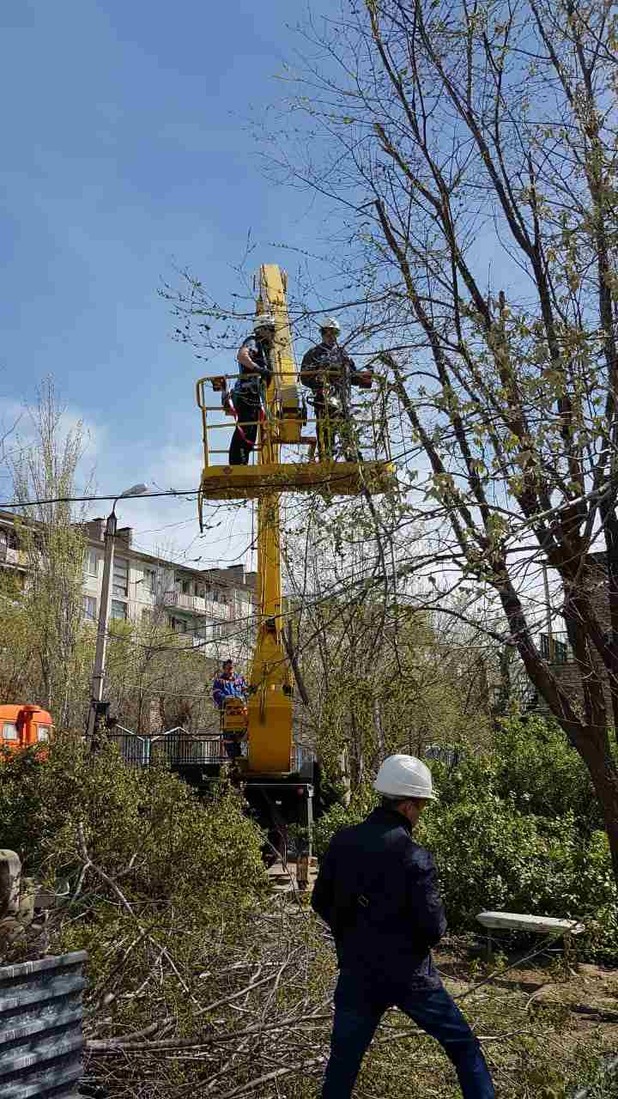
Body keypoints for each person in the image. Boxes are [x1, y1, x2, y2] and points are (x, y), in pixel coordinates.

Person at [312, 754, 495, 1099]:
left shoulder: (342, 842)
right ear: (409, 806)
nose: (421, 813)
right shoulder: (415, 857)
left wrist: (351, 934)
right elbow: (434, 927)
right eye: (422, 806)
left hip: (357, 973)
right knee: (464, 1048)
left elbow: (320, 901)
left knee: (341, 1068)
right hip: (411, 977)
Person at [299, 318, 371, 461]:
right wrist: (322, 380)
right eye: (328, 332)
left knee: (349, 434)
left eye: (334, 333)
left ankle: (354, 460)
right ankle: (327, 462)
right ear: (323, 333)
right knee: (326, 438)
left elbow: (352, 376)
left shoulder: (342, 354)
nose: (331, 336)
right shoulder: (313, 354)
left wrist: (365, 377)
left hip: (344, 402)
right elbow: (305, 378)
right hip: (324, 403)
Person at [228, 315, 275, 465]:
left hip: (253, 396)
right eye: (271, 329)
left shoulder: (265, 350)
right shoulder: (253, 342)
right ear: (262, 329)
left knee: (250, 432)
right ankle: (238, 464)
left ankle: (241, 462)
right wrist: (258, 369)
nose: (273, 333)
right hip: (246, 394)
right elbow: (242, 356)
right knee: (246, 430)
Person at [212, 658, 248, 759]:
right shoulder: (219, 681)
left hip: (241, 713)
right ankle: (234, 758)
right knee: (229, 737)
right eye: (228, 668)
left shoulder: (239, 679)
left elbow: (246, 691)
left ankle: (241, 756)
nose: (230, 670)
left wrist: (244, 696)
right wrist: (226, 698)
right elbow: (216, 694)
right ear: (224, 669)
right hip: (228, 713)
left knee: (243, 733)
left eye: (232, 668)